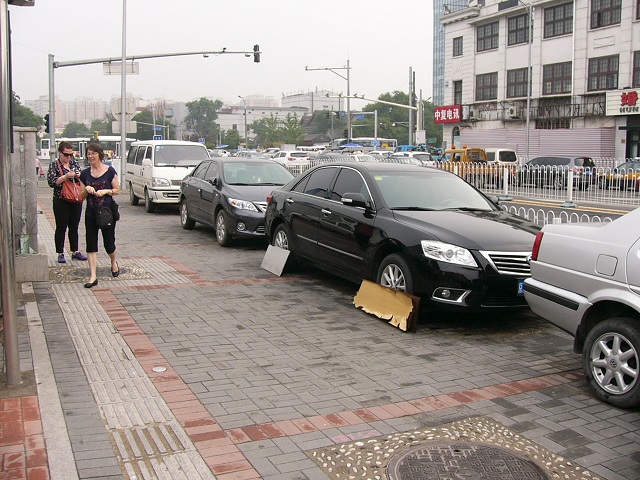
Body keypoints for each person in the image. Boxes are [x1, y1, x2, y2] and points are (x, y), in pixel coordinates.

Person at [80, 143, 120, 289]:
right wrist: (87, 189)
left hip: (106, 212)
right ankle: (93, 276)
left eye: (93, 153)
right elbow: (80, 195)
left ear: (99, 155)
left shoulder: (109, 171)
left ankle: (113, 262)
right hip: (91, 212)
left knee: (109, 243)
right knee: (91, 244)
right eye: (88, 154)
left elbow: (117, 190)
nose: (90, 156)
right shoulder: (85, 174)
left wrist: (106, 191)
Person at [47, 141, 88, 264]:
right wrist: (65, 177)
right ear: (60, 153)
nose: (69, 157)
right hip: (61, 200)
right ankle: (60, 252)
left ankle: (75, 251)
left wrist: (77, 175)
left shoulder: (74, 164)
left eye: (71, 154)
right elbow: (52, 182)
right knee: (61, 227)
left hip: (75, 199)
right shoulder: (54, 165)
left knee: (74, 226)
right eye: (66, 154)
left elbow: (82, 179)